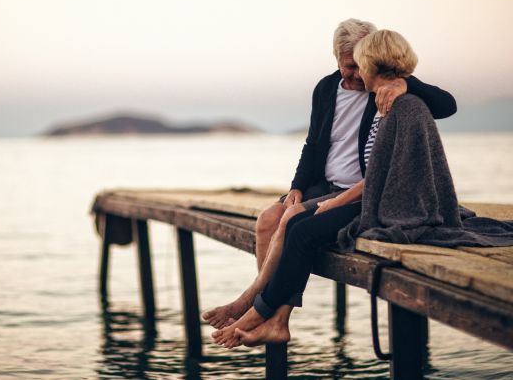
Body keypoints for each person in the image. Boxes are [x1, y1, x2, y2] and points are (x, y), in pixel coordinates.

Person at [213, 29, 513, 349]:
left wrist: (405, 83)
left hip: (381, 203)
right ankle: (264, 312)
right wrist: (299, 188)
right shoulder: (334, 89)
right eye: (349, 65)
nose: (356, 73)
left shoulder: (398, 100)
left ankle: (258, 312)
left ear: (370, 63)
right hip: (361, 195)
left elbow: (386, 169)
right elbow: (317, 145)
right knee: (274, 218)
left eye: (360, 65)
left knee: (297, 227)